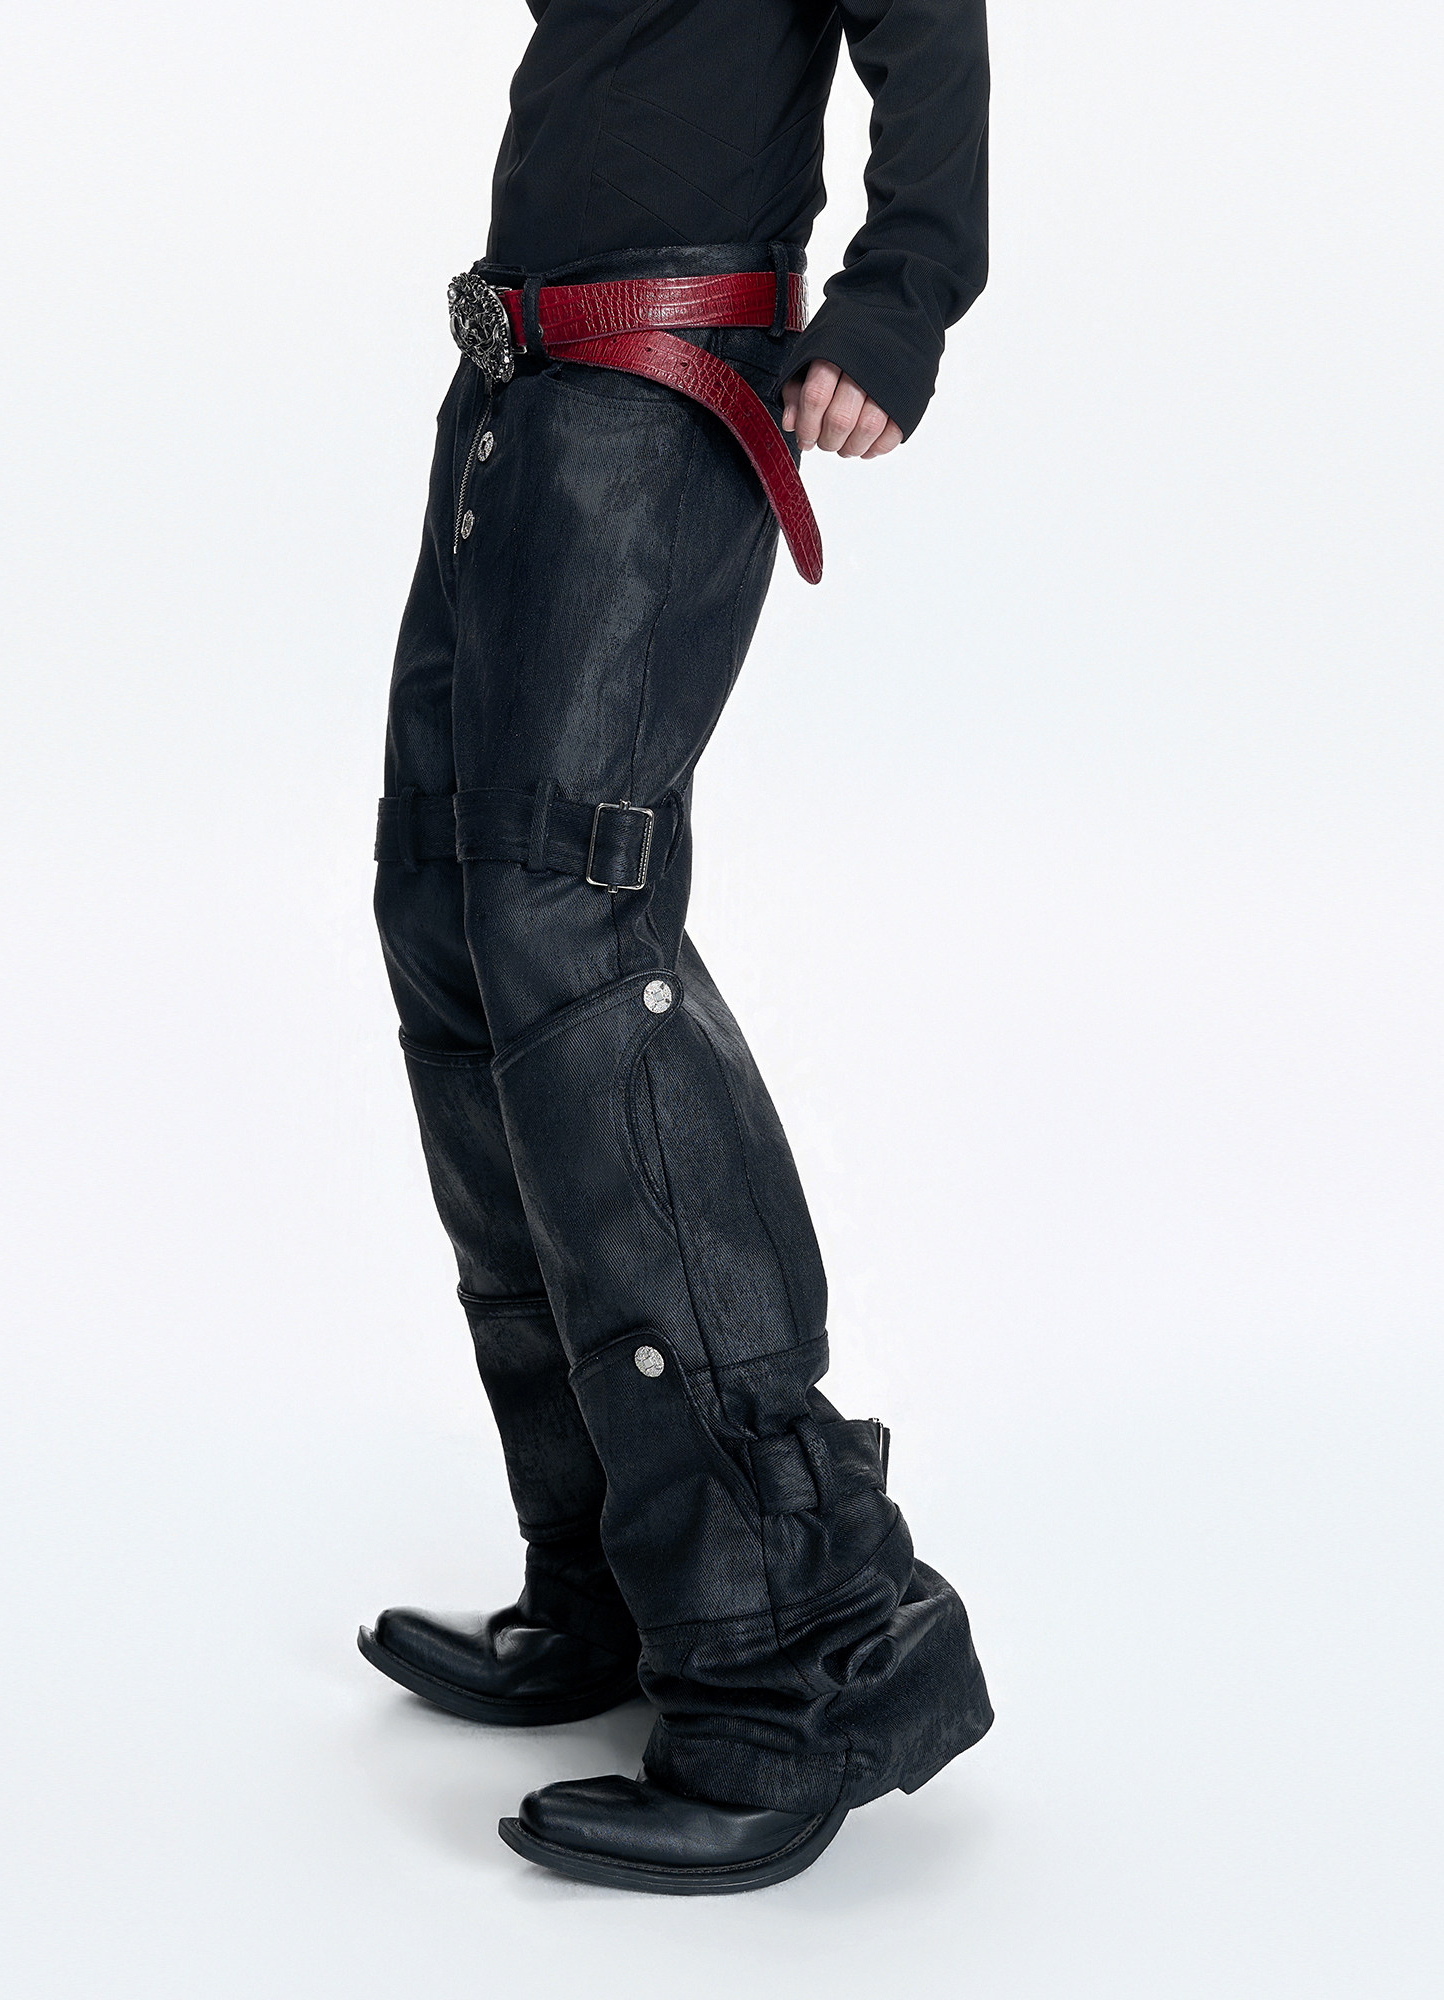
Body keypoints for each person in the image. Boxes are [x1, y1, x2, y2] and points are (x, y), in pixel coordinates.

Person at [362, 0, 995, 1894]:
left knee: (569, 922)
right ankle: (628, 1580)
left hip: (662, 378)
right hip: (518, 380)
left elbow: (929, 24)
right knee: (449, 913)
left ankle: (803, 1653)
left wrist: (902, 294)